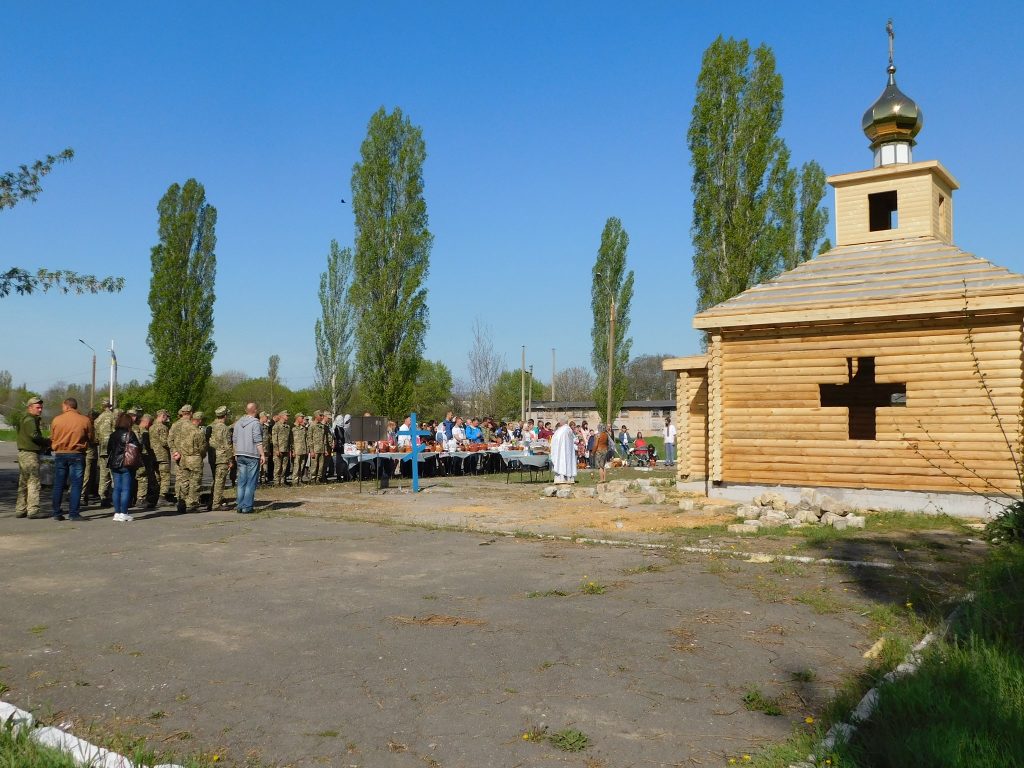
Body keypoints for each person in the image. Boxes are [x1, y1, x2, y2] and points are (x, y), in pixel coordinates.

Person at [50, 397, 93, 521]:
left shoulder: (57, 420)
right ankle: (73, 513)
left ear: (67, 406)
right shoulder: (85, 420)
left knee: (59, 484)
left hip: (60, 453)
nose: (62, 408)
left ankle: (56, 512)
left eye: (62, 406)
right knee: (76, 485)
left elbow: (52, 437)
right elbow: (91, 438)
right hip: (77, 454)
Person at [15, 396, 51, 519]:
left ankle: (20, 509)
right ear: (30, 408)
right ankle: (33, 510)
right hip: (30, 454)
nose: (40, 409)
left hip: (23, 453)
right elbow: (34, 435)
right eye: (37, 407)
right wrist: (47, 442)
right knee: (33, 481)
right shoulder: (30, 420)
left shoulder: (25, 418)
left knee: (23, 482)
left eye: (41, 407)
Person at [107, 412, 141, 522]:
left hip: (114, 464)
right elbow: (137, 448)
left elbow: (108, 450)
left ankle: (117, 513)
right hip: (127, 464)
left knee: (117, 488)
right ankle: (124, 512)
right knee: (126, 489)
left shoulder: (113, 435)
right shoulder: (130, 434)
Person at [232, 402, 266, 514]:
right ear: (255, 411)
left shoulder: (238, 423)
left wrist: (236, 453)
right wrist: (262, 454)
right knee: (251, 481)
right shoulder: (255, 423)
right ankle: (247, 506)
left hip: (240, 454)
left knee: (241, 481)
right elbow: (257, 440)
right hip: (252, 454)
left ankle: (240, 505)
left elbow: (235, 440)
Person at [167, 405, 193, 504]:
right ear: (190, 413)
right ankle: (185, 499)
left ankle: (178, 498)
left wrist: (175, 451)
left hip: (178, 455)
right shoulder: (191, 425)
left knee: (179, 477)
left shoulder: (175, 425)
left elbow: (170, 440)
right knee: (189, 478)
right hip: (189, 455)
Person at [210, 406, 235, 508]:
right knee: (220, 481)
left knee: (216, 480)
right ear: (225, 416)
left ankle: (213, 500)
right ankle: (216, 503)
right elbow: (228, 445)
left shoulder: (212, 426)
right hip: (222, 457)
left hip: (214, 456)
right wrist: (230, 459)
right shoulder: (225, 428)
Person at [93, 400, 115, 506]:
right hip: (112, 447)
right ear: (109, 406)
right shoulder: (113, 416)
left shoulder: (97, 419)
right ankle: (114, 495)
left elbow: (96, 436)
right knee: (114, 472)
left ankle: (103, 496)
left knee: (103, 473)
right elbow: (116, 431)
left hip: (102, 448)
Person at [136, 413, 158, 509]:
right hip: (142, 458)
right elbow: (147, 447)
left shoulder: (134, 429)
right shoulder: (144, 432)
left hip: (132, 458)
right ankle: (141, 499)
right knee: (143, 477)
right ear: (148, 422)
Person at [151, 409, 172, 502]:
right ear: (162, 416)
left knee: (157, 476)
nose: (167, 419)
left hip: (154, 455)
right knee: (165, 476)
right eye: (166, 417)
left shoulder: (151, 427)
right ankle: (162, 496)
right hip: (163, 455)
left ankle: (155, 495)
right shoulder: (163, 427)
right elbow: (165, 442)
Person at [272, 411, 291, 485]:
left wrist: (290, 449)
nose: (287, 417)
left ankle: (282, 481)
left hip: (286, 449)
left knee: (284, 467)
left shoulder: (287, 426)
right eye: (286, 415)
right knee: (277, 467)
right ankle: (276, 482)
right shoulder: (276, 426)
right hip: (278, 450)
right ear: (282, 416)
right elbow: (274, 439)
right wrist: (276, 449)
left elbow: (289, 439)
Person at [291, 413, 310, 484]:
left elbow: (306, 439)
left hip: (303, 450)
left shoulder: (303, 428)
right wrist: (292, 450)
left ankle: (299, 479)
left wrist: (307, 449)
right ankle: (295, 481)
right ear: (297, 418)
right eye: (301, 418)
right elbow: (291, 441)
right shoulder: (292, 428)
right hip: (296, 450)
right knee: (296, 466)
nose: (303, 419)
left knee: (302, 465)